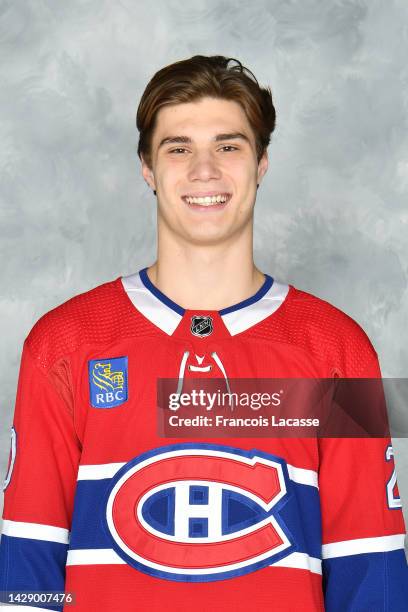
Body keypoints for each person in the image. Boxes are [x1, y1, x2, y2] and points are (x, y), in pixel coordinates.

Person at [0, 55, 407, 611]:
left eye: (228, 145)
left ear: (262, 162)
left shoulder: (336, 350)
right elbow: (26, 569)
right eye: (179, 147)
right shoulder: (65, 344)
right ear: (147, 167)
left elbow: (372, 576)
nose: (204, 170)